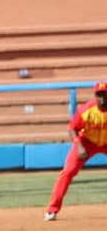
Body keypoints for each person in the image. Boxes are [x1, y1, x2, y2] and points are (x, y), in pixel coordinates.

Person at [45, 82, 107, 221]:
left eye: (105, 94)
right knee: (68, 172)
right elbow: (72, 128)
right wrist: (79, 146)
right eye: (99, 94)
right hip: (87, 142)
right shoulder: (85, 110)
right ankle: (52, 210)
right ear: (95, 96)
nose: (103, 98)